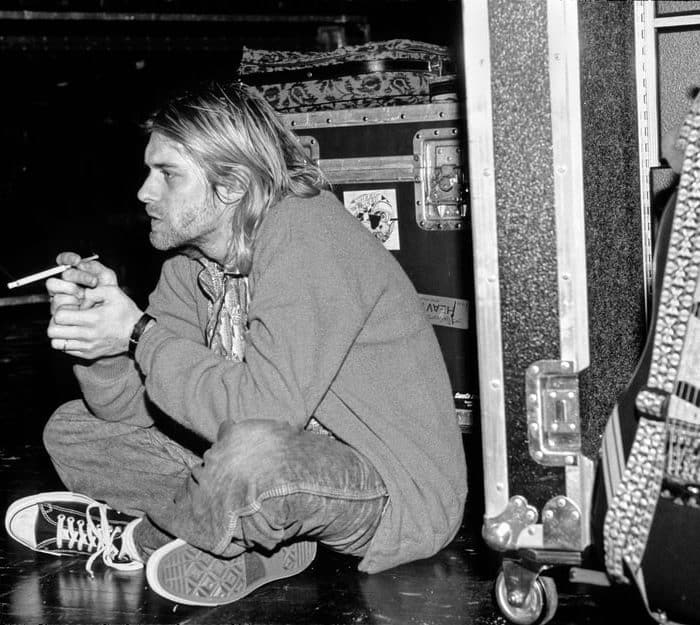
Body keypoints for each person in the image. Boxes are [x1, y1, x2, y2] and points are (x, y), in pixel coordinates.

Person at [4, 81, 467, 607]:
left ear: (230, 184)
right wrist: (104, 347)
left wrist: (138, 332)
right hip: (270, 464)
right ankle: (245, 536)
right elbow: (128, 409)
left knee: (250, 456)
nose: (144, 192)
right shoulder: (191, 262)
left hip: (387, 488)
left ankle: (139, 540)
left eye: (167, 174)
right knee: (72, 429)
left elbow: (262, 413)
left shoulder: (308, 234)